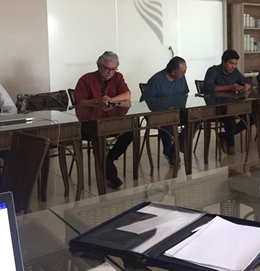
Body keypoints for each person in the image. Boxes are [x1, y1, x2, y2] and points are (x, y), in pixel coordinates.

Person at [75, 51, 132, 189]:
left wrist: (110, 100)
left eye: (113, 69)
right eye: (107, 68)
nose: (110, 72)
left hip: (111, 120)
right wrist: (97, 101)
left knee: (130, 133)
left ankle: (109, 158)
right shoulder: (86, 79)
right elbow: (80, 102)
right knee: (98, 137)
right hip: (89, 122)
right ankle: (111, 175)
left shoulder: (118, 77)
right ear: (99, 66)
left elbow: (127, 95)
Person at [140, 56, 190, 167]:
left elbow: (184, 95)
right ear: (173, 72)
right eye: (183, 71)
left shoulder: (181, 78)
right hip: (160, 115)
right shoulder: (156, 80)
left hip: (177, 112)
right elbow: (145, 101)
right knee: (168, 122)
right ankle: (168, 151)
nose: (184, 74)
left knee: (195, 119)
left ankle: (177, 146)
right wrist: (165, 108)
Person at [203, 49, 252, 155]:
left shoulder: (235, 72)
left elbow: (246, 81)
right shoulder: (213, 71)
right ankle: (231, 144)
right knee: (230, 119)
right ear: (223, 62)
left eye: (235, 64)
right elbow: (208, 87)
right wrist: (229, 87)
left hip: (233, 106)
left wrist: (247, 86)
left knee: (253, 116)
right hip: (216, 108)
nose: (233, 66)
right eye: (230, 63)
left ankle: (225, 135)